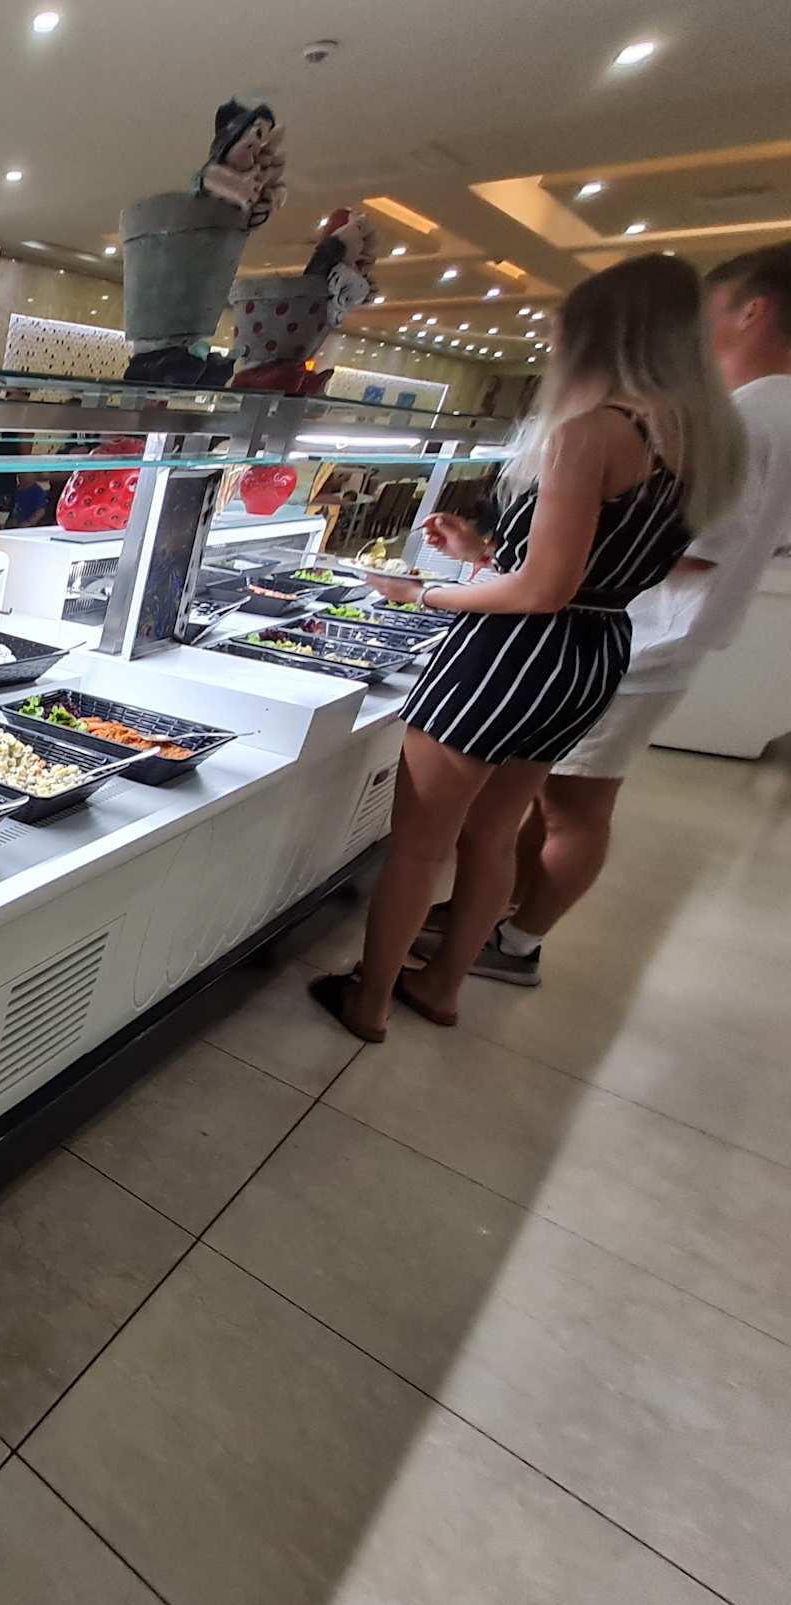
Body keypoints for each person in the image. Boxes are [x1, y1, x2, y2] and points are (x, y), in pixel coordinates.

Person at [311, 254, 747, 1040]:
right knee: (495, 832)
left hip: (509, 656)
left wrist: (422, 593)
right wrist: (484, 554)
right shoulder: (697, 441)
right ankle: (441, 987)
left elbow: (543, 589)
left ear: (604, 336)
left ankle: (368, 999)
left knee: (418, 847)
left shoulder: (591, 432)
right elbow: (588, 570)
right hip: (592, 652)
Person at [416, 242, 791, 985]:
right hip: (624, 642)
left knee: (571, 809)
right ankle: (483, 921)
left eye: (715, 310)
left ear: (752, 311)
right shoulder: (746, 416)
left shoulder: (740, 417)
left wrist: (461, 584)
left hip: (619, 641)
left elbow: (664, 553)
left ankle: (513, 941)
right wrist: (503, 558)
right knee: (539, 806)